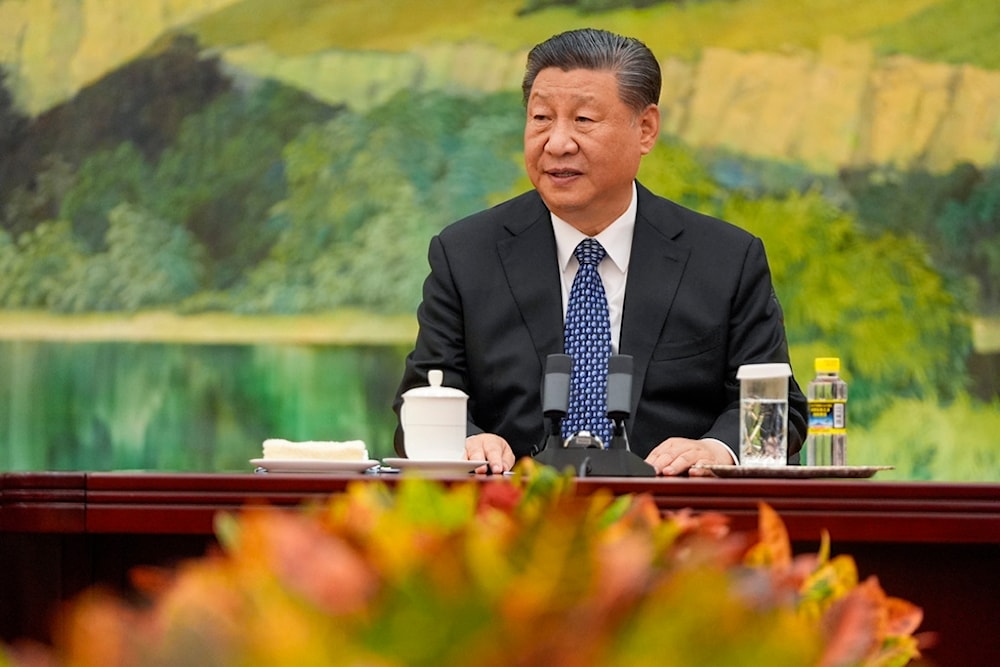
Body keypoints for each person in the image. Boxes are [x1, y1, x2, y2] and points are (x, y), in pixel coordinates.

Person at [393, 28, 807, 475]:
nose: (557, 143)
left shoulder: (725, 259)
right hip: (514, 520)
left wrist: (715, 449)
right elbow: (418, 402)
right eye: (541, 119)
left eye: (584, 121)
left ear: (645, 129)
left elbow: (779, 411)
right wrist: (468, 439)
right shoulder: (466, 255)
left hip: (673, 519)